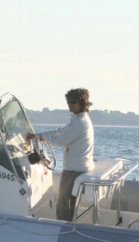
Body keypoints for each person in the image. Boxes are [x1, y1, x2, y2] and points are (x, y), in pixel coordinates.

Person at [26, 88, 95, 221]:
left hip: (74, 169)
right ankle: (71, 225)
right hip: (81, 166)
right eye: (68, 101)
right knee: (71, 201)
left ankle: (63, 227)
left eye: (73, 101)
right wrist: (39, 136)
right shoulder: (79, 119)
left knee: (63, 202)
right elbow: (62, 131)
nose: (69, 104)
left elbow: (61, 140)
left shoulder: (80, 122)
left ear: (82, 103)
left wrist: (42, 138)